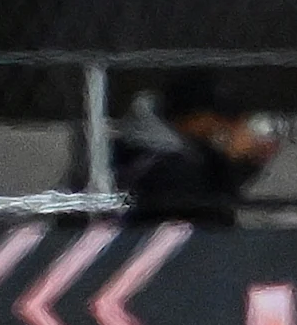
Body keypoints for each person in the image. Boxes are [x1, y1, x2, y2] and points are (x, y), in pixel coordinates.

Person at [112, 72, 277, 226]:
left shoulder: (182, 148)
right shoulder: (159, 162)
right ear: (194, 117)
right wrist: (236, 161)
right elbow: (212, 218)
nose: (222, 126)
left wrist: (246, 162)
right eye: (217, 118)